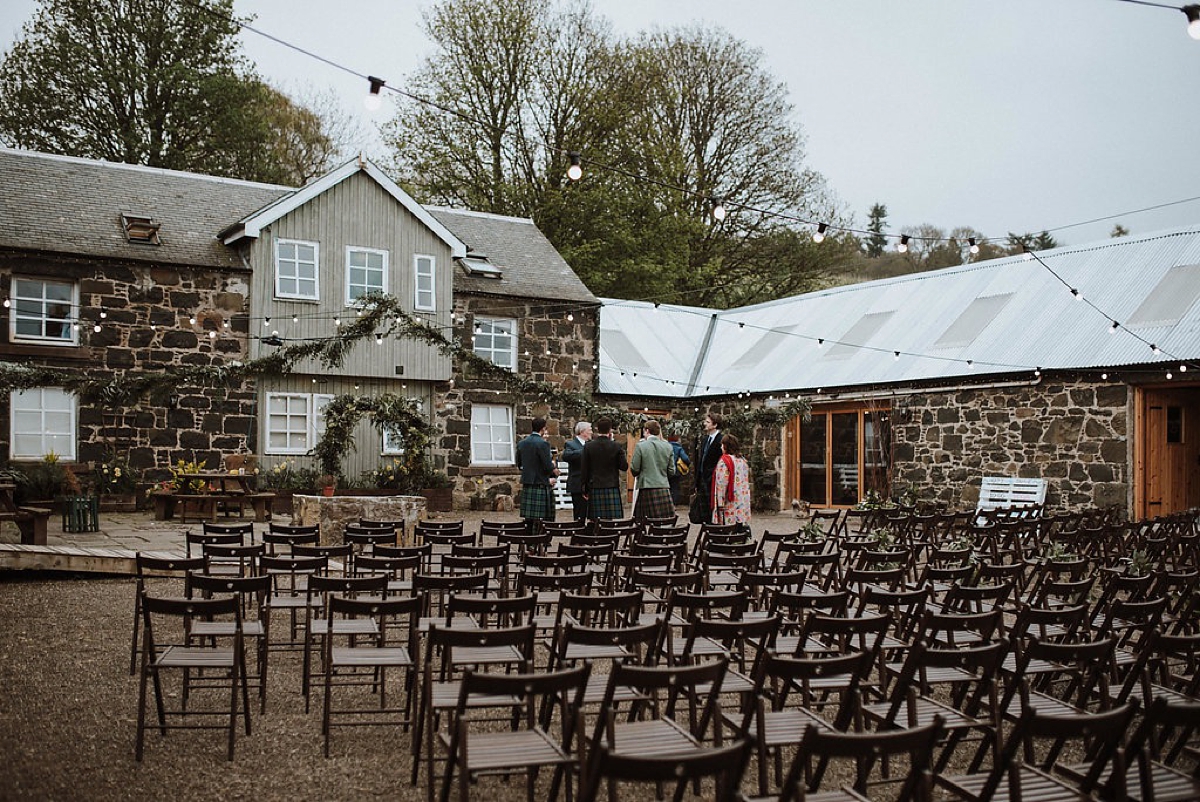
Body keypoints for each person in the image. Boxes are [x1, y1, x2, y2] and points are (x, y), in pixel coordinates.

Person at [515, 417, 558, 535]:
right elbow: (547, 467)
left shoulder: (522, 443)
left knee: (529, 517)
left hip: (528, 483)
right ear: (543, 428)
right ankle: (539, 540)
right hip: (540, 483)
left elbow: (519, 464)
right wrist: (553, 468)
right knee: (542, 517)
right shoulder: (543, 444)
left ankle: (528, 540)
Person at [581, 417, 628, 520]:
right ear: (610, 430)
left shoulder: (588, 446)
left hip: (595, 486)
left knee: (595, 521)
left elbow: (584, 469)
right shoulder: (616, 446)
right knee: (609, 522)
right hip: (611, 486)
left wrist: (584, 489)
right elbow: (624, 467)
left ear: (597, 429)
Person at [631, 419, 675, 522]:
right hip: (664, 488)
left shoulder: (640, 446)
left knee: (641, 524)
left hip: (647, 488)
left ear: (646, 430)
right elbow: (672, 471)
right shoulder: (668, 446)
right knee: (663, 523)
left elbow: (634, 468)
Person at [711, 433, 751, 530]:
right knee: (739, 527)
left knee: (728, 528)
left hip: (729, 501)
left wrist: (719, 504)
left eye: (722, 445)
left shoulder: (724, 461)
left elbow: (721, 483)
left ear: (726, 446)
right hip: (741, 500)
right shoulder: (742, 461)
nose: (721, 447)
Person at [694, 412, 724, 523]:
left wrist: (712, 476)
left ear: (715, 425)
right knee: (703, 509)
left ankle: (713, 530)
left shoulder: (721, 440)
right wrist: (697, 481)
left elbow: (720, 461)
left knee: (711, 507)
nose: (704, 424)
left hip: (712, 478)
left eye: (707, 422)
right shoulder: (705, 439)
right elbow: (701, 460)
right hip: (702, 478)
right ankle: (706, 529)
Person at [561, 420, 591, 521]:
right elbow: (566, 456)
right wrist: (585, 451)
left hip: (590, 484)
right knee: (579, 515)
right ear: (583, 432)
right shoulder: (571, 444)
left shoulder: (591, 444)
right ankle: (578, 535)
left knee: (592, 515)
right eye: (589, 430)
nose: (591, 432)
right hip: (577, 484)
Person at [667, 434, 690, 506]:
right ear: (677, 439)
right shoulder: (679, 448)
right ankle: (673, 505)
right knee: (675, 488)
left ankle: (666, 504)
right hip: (676, 471)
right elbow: (686, 459)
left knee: (667, 488)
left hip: (666, 471)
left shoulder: (665, 446)